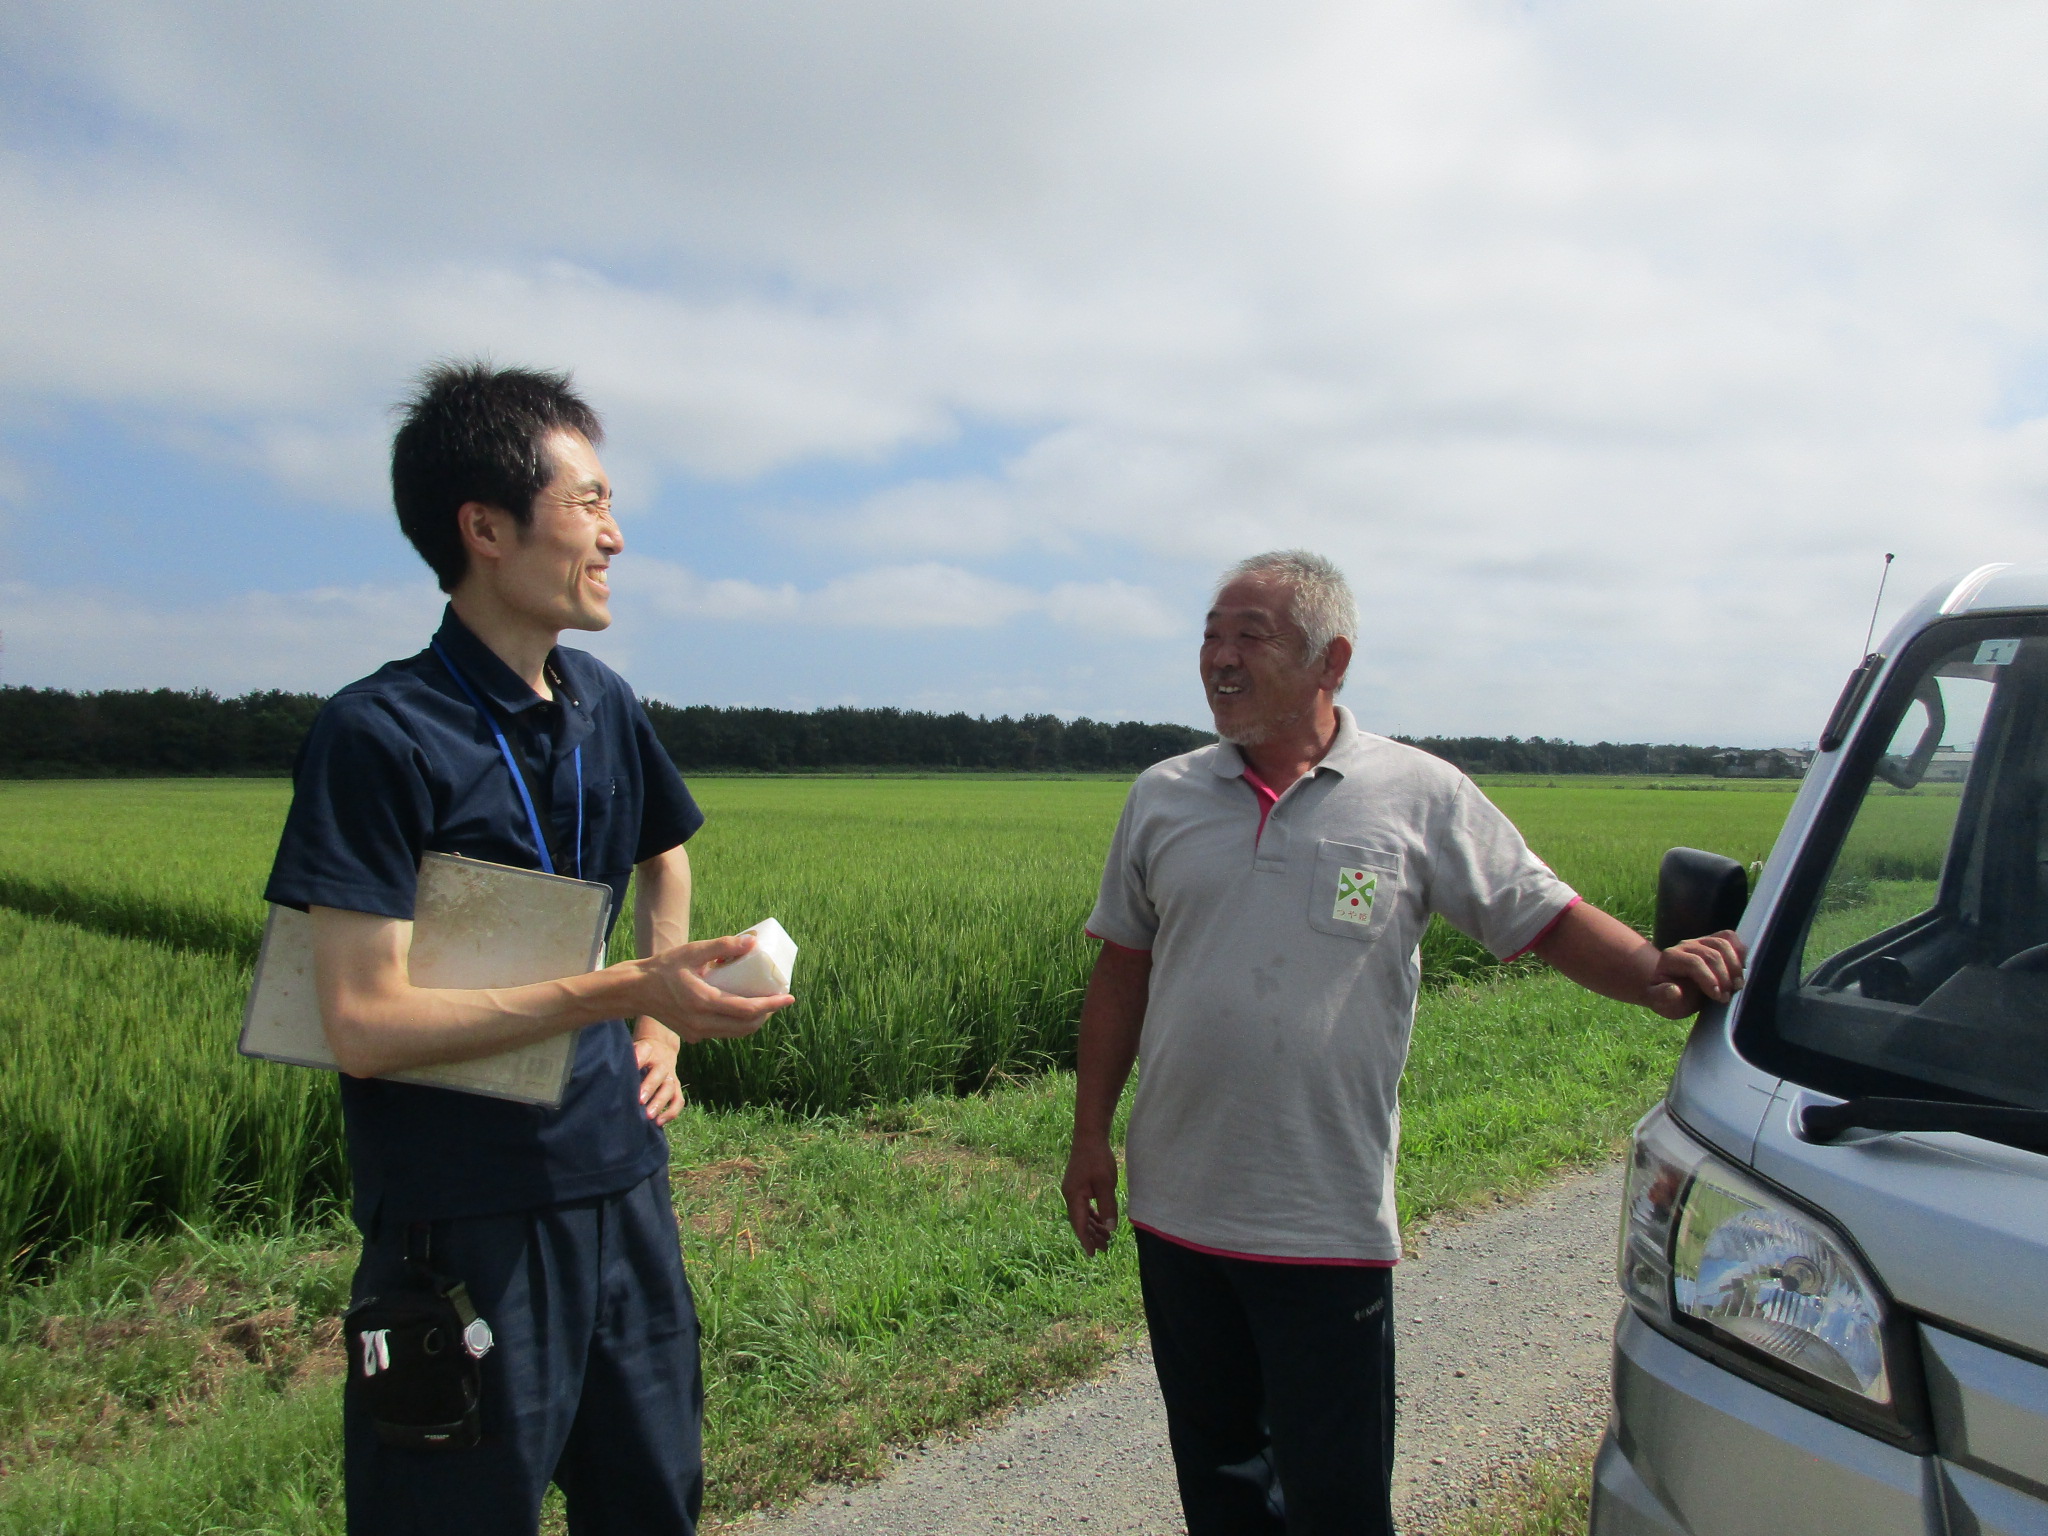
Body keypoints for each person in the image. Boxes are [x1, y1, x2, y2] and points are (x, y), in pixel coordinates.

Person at [1060, 550, 1744, 1536]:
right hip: (1176, 1212)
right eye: (1209, 633)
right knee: (1217, 1483)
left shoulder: (1416, 795)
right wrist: (1091, 1133)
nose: (1217, 655)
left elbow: (1539, 915)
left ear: (1329, 658)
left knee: (1336, 1499)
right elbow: (1121, 968)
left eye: (1247, 634)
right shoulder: (1161, 796)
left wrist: (1652, 976)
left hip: (1321, 1218)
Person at [264, 362, 791, 1535]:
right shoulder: (377, 734)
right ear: (485, 528)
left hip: (619, 1183)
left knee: (652, 1500)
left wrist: (656, 1027)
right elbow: (360, 1024)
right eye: (588, 503)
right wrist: (627, 986)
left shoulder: (602, 700)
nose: (615, 535)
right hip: (460, 1222)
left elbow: (668, 856)